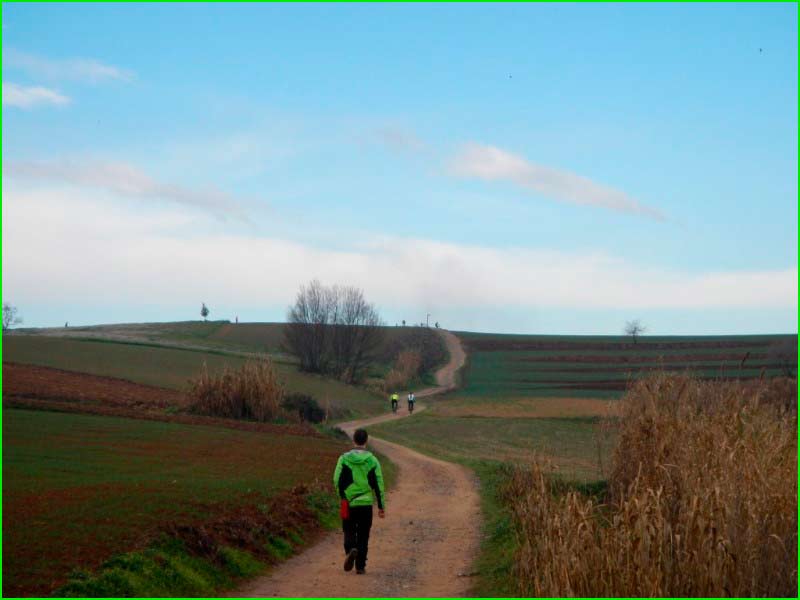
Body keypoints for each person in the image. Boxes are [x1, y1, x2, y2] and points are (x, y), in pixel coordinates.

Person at [333, 428, 385, 574]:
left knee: (348, 529)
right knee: (363, 534)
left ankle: (350, 549)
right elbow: (379, 484)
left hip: (348, 502)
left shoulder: (343, 458)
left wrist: (342, 496)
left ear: (353, 440)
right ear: (366, 441)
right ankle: (360, 566)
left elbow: (336, 479)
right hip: (366, 504)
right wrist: (381, 506)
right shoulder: (373, 460)